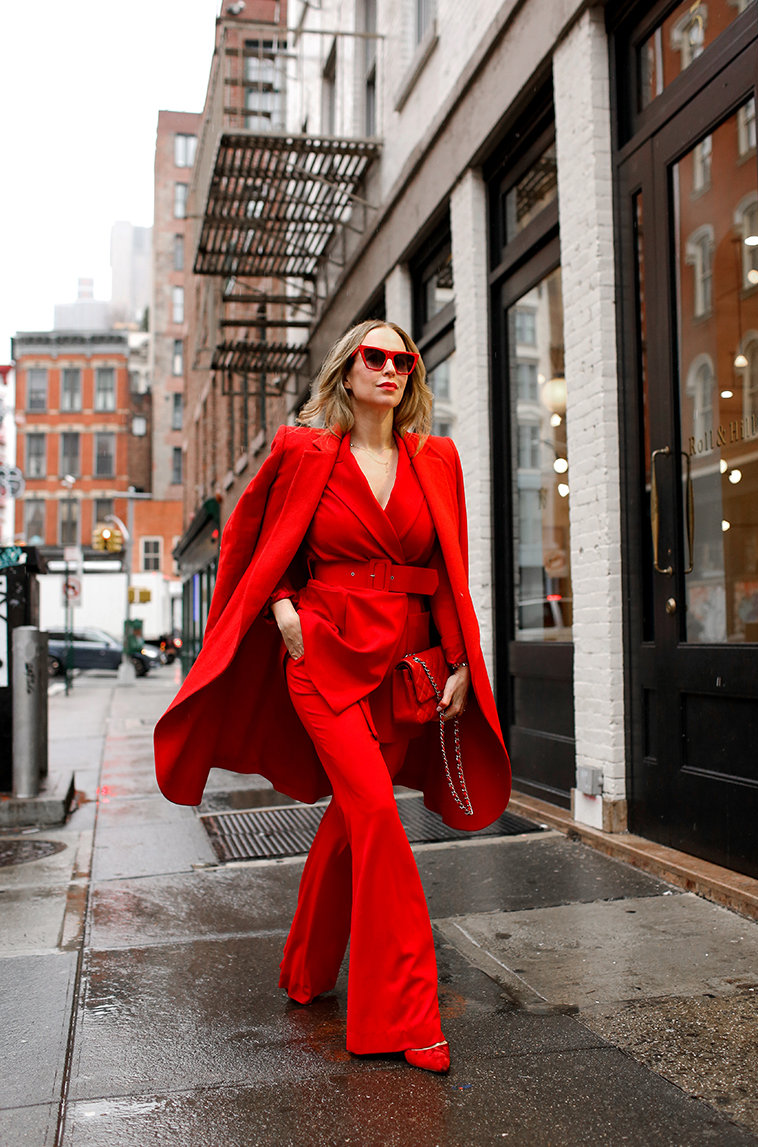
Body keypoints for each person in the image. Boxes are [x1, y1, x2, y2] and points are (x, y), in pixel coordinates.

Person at [154, 319, 511, 1073]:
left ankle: (304, 968)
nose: (390, 368)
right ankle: (406, 1014)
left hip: (404, 669)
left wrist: (457, 661)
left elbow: (448, 570)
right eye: (373, 357)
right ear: (346, 371)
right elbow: (252, 542)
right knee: (379, 813)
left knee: (354, 818)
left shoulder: (435, 458)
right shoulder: (302, 448)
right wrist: (283, 608)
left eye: (402, 359)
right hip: (319, 654)